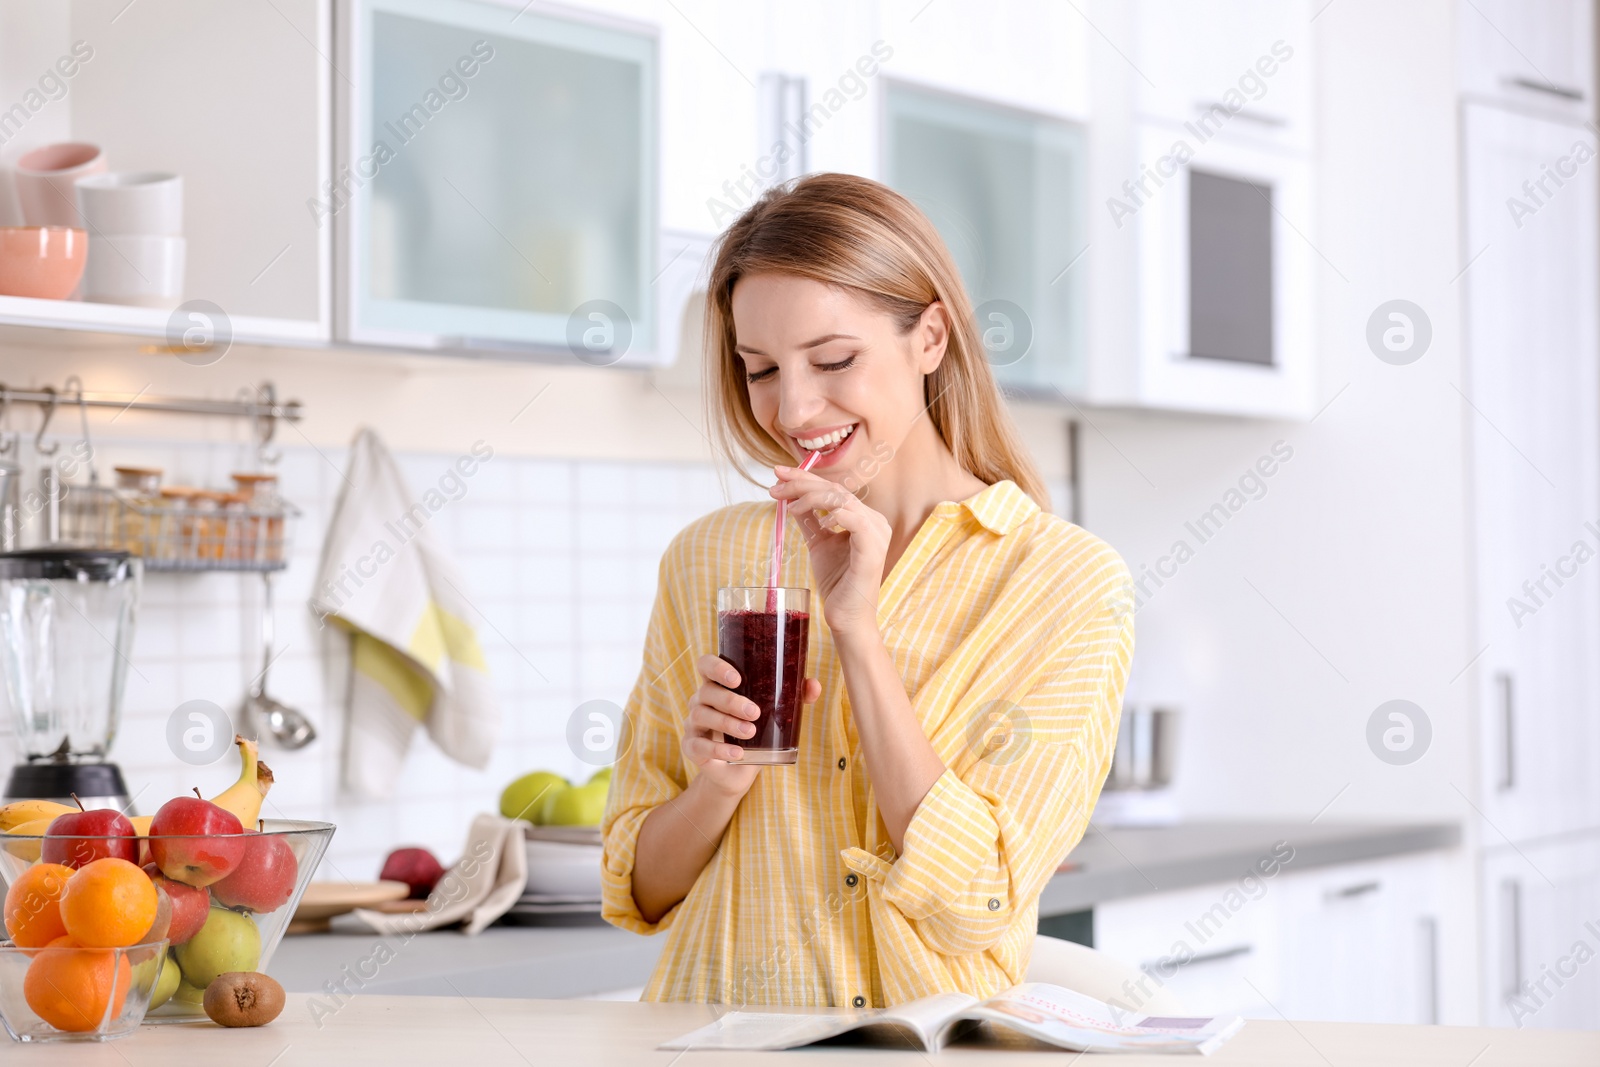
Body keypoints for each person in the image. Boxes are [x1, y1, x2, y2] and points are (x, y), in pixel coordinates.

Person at [600, 172, 1134, 1008]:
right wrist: (719, 781)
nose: (795, 406)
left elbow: (977, 901)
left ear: (930, 337)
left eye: (834, 359)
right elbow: (641, 889)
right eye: (761, 369)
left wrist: (858, 631)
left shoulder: (1062, 582)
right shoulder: (708, 561)